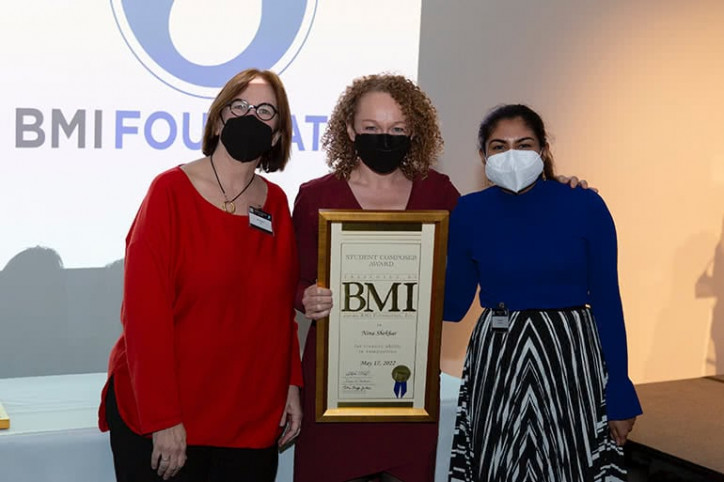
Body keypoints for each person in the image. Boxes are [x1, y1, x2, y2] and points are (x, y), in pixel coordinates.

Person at [292, 76, 590, 482]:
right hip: (334, 387)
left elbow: (498, 227)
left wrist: (556, 190)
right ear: (349, 129)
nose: (385, 138)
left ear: (414, 131)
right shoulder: (315, 197)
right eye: (371, 127)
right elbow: (294, 282)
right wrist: (306, 297)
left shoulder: (438, 193)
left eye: (397, 128)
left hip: (408, 392)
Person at [98, 68, 303, 482]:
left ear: (278, 135)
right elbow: (143, 317)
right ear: (219, 118)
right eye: (239, 106)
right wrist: (164, 418)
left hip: (249, 419)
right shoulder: (169, 193)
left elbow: (280, 312)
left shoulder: (277, 204)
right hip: (170, 417)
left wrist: (291, 386)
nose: (250, 116)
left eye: (265, 111)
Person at [443, 104, 642, 482]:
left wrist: (620, 388)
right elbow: (452, 305)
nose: (512, 155)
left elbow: (607, 301)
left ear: (543, 150)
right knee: (499, 466)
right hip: (498, 360)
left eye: (524, 144)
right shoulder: (468, 212)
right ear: (483, 156)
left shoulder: (585, 204)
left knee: (569, 465)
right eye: (499, 146)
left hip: (571, 359)